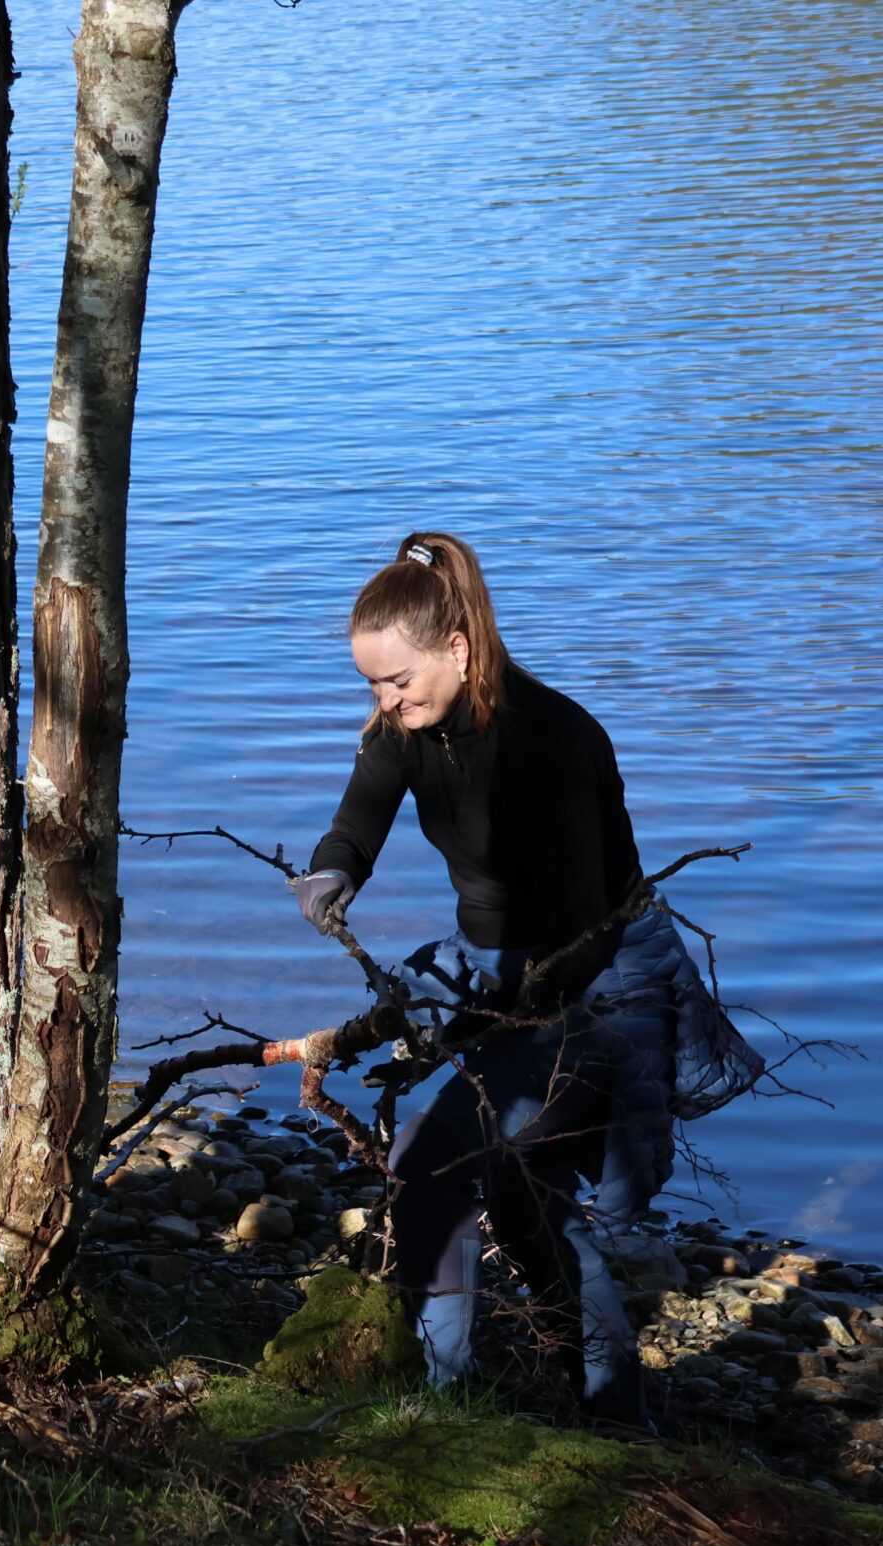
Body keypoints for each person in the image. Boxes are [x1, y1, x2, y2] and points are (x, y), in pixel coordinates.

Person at [291, 531, 760, 1426]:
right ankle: (610, 1411)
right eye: (371, 685)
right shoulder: (405, 730)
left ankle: (453, 1395)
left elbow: (584, 930)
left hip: (602, 983)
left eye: (397, 680)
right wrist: (331, 871)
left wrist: (495, 1017)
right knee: (518, 1193)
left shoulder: (556, 740)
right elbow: (359, 818)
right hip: (503, 979)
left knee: (436, 1159)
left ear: (458, 650)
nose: (385, 701)